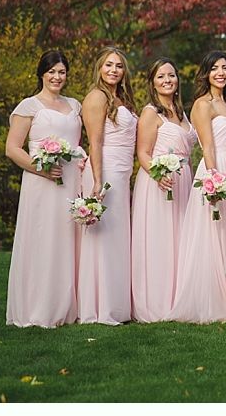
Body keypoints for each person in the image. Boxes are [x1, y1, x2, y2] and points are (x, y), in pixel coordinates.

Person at [4, 50, 82, 327]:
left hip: (71, 181)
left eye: (61, 72)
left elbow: (77, 143)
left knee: (68, 239)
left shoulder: (75, 104)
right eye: (51, 72)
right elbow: (12, 148)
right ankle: (38, 306)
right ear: (42, 74)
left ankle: (67, 305)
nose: (57, 77)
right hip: (41, 181)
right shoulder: (29, 106)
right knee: (43, 238)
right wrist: (42, 169)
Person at [170, 51, 226, 323]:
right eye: (215, 69)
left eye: (225, 68)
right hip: (217, 168)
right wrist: (214, 180)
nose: (221, 73)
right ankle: (215, 301)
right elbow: (207, 145)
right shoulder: (203, 105)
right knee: (215, 234)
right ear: (206, 73)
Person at [131, 58, 196, 322]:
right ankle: (157, 303)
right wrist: (158, 175)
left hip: (184, 181)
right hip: (158, 182)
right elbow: (143, 153)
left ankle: (178, 298)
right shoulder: (151, 112)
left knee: (181, 240)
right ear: (152, 82)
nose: (167, 80)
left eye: (171, 75)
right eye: (161, 76)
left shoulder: (181, 112)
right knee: (161, 240)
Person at [77, 46, 137, 325]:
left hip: (123, 174)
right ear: (99, 68)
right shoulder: (96, 97)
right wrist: (98, 179)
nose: (114, 70)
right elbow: (95, 141)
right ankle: (99, 307)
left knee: (118, 238)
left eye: (119, 66)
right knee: (104, 238)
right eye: (108, 65)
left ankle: (118, 305)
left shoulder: (121, 98)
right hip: (106, 170)